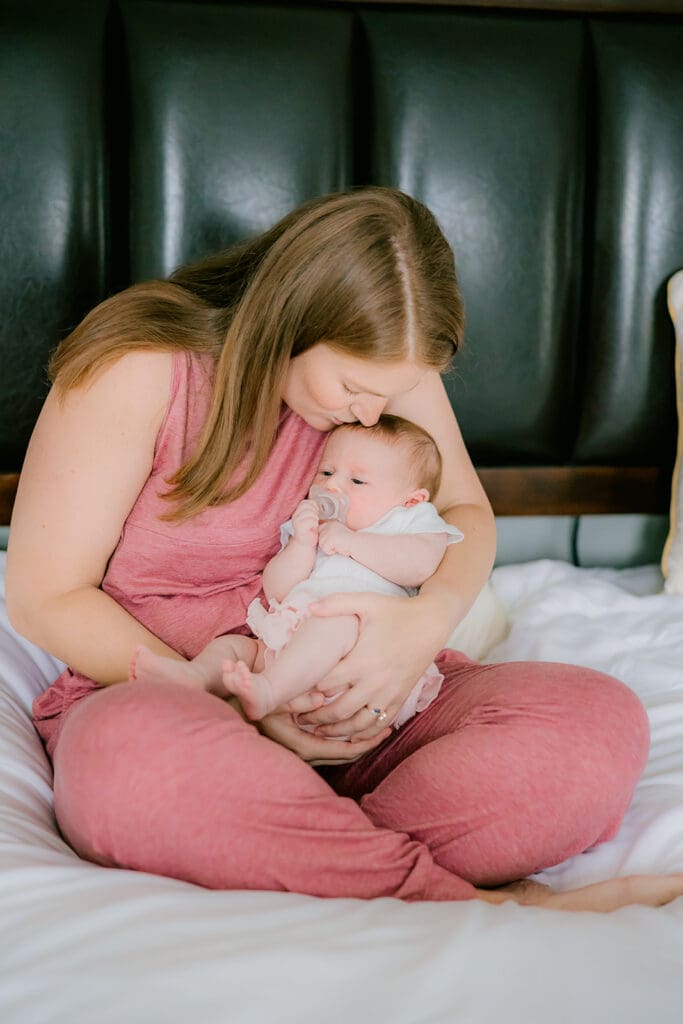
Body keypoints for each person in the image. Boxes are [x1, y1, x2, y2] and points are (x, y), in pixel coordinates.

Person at [5, 186, 683, 911]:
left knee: (593, 725)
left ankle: (291, 844)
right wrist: (224, 698)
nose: (371, 412)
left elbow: (464, 512)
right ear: (289, 319)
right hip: (183, 699)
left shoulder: (388, 368)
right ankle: (475, 902)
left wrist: (425, 624)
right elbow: (45, 593)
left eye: (388, 395)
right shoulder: (139, 365)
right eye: (355, 388)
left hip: (363, 705)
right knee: (129, 766)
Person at [129, 414, 463, 728]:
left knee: (336, 621)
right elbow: (277, 589)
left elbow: (419, 565)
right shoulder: (314, 524)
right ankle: (196, 676)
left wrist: (352, 543)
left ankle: (269, 692)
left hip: (360, 654)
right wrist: (301, 544)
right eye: (327, 472)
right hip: (288, 643)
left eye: (357, 480)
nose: (334, 487)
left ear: (411, 499)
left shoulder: (409, 520)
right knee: (234, 647)